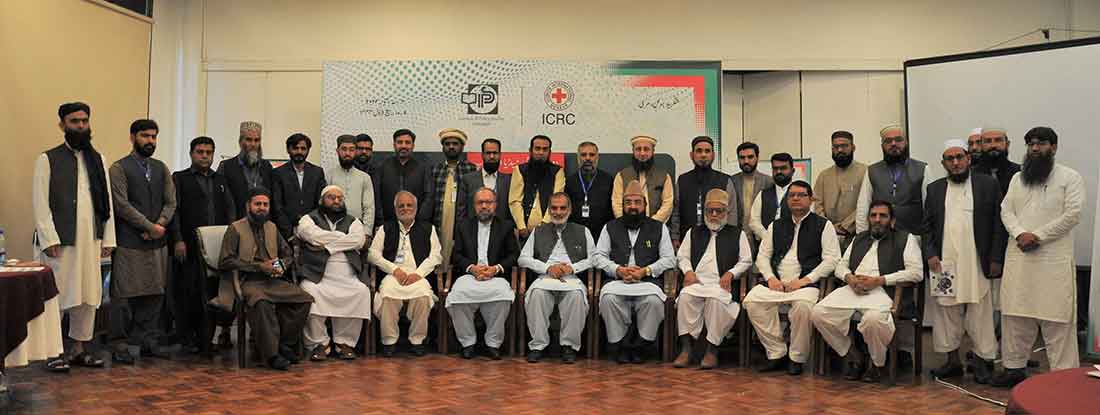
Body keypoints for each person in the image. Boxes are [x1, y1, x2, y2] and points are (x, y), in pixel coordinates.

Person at [992, 127, 1085, 387]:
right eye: (1031, 143)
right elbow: (1006, 210)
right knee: (1015, 316)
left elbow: (1073, 214)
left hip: (1052, 260)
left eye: (1041, 143)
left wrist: (1038, 236)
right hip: (1020, 258)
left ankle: (1064, 376)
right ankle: (1013, 368)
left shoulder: (1070, 177)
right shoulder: (1018, 178)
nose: (1035, 148)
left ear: (1053, 147)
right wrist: (1020, 234)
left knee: (1057, 319)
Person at [32, 102, 116, 371]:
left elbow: (106, 202)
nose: (80, 126)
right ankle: (53, 352)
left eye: (84, 121)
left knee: (88, 296)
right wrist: (49, 239)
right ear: (62, 125)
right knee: (56, 296)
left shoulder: (98, 159)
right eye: (74, 121)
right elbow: (40, 203)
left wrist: (108, 239)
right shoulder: (47, 159)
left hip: (90, 239)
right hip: (60, 241)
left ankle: (79, 349)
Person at [812, 201, 922, 383]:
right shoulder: (859, 238)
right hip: (853, 288)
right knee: (818, 313)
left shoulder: (905, 239)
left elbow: (916, 273)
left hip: (883, 291)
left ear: (892, 220)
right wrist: (849, 278)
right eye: (873, 215)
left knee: (873, 320)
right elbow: (840, 265)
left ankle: (876, 364)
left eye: (883, 216)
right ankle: (852, 354)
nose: (877, 220)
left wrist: (880, 280)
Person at [923, 140, 1005, 384]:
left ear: (969, 158)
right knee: (945, 311)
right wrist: (930, 253)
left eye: (959, 157)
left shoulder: (987, 184)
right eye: (950, 159)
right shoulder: (935, 189)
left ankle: (982, 361)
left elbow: (999, 223)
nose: (955, 162)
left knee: (981, 311)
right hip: (944, 262)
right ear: (943, 164)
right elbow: (926, 226)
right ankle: (952, 362)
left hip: (977, 260)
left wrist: (996, 257)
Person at [744, 180, 840, 376]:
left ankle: (797, 358)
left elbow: (832, 259)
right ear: (787, 200)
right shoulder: (776, 225)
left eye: (801, 195)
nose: (796, 198)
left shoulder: (824, 225)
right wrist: (771, 278)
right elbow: (762, 256)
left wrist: (805, 280)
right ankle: (776, 352)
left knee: (803, 307)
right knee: (752, 301)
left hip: (806, 285)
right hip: (777, 284)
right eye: (792, 195)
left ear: (811, 199)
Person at [217, 187, 314, 370]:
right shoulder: (235, 228)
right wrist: (258, 266)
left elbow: (287, 254)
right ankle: (272, 356)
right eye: (257, 204)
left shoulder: (272, 227)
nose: (262, 208)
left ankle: (283, 344)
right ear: (248, 206)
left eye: (265, 204)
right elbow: (225, 261)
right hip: (247, 281)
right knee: (261, 302)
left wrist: (281, 265)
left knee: (304, 299)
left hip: (273, 280)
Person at [107, 119, 177, 364]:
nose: (150, 141)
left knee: (155, 293)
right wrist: (149, 227)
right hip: (129, 242)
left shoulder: (161, 168)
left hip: (157, 242)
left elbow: (171, 201)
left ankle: (148, 341)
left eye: (153, 136)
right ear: (132, 137)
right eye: (145, 136)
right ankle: (119, 344)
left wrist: (160, 225)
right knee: (123, 296)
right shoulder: (119, 168)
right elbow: (121, 205)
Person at [593, 180, 677, 364]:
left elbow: (670, 259)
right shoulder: (610, 227)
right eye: (628, 202)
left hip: (646, 282)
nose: (633, 207)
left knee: (653, 301)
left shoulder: (659, 227)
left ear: (645, 205)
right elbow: (598, 257)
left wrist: (646, 271)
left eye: (637, 202)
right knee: (608, 299)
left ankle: (641, 344)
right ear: (622, 205)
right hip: (617, 281)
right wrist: (618, 270)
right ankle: (621, 344)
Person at [169, 136, 237, 353]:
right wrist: (178, 240)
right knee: (189, 292)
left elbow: (230, 210)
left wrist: (232, 241)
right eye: (200, 152)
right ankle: (188, 339)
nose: (204, 156)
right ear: (191, 154)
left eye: (209, 152)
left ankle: (207, 340)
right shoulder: (179, 178)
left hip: (217, 247)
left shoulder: (221, 179)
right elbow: (174, 211)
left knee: (212, 292)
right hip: (188, 245)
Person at [673, 189, 753, 369]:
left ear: (727, 212)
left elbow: (746, 260)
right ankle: (686, 349)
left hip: (720, 285)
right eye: (710, 211)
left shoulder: (737, 234)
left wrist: (731, 273)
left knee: (716, 301)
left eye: (719, 211)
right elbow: (682, 256)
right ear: (705, 212)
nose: (714, 215)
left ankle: (712, 350)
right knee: (685, 297)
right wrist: (688, 272)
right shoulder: (694, 232)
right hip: (697, 282)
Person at [518, 192, 597, 364]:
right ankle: (538, 346)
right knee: (537, 295)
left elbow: (594, 258)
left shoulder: (583, 231)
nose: (558, 212)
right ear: (548, 210)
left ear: (570, 209)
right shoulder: (538, 231)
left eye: (562, 208)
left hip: (571, 278)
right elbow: (522, 258)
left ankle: (569, 346)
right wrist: (547, 268)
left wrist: (572, 268)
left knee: (576, 296)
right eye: (554, 208)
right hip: (545, 277)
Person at [296, 185, 370, 361]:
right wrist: (343, 239)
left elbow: (359, 240)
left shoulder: (354, 221)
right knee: (309, 292)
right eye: (331, 197)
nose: (336, 201)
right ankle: (319, 344)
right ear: (322, 200)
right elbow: (309, 235)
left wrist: (328, 246)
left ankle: (344, 343)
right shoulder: (309, 218)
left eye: (339, 198)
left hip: (348, 275)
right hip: (317, 275)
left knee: (361, 292)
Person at [446, 188, 520, 360]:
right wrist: (472, 268)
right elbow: (456, 255)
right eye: (480, 202)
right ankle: (467, 342)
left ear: (495, 205)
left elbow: (514, 255)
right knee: (457, 296)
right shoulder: (463, 226)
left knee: (503, 296)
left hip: (495, 275)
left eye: (488, 202)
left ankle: (493, 343)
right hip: (470, 275)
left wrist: (496, 268)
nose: (484, 206)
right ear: (474, 206)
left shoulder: (506, 226)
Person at [367, 191, 442, 357]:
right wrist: (394, 269)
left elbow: (436, 256)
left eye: (409, 205)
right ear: (395, 209)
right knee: (387, 295)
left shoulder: (428, 228)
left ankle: (417, 340)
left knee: (423, 295)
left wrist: (419, 273)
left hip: (418, 275)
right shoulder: (385, 228)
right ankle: (389, 341)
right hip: (393, 275)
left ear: (416, 208)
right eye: (401, 206)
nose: (405, 208)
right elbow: (372, 254)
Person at [855, 124, 931, 235]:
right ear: (882, 146)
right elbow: (863, 207)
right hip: (881, 236)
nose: (893, 144)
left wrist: (927, 238)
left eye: (898, 140)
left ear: (906, 142)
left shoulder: (923, 169)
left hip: (914, 236)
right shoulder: (872, 171)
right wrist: (861, 237)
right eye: (888, 141)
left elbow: (929, 208)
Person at [426, 128, 478, 270]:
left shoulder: (471, 169)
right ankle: (440, 279)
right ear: (443, 147)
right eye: (447, 144)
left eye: (455, 144)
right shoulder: (435, 170)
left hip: (462, 221)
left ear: (462, 147)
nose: (451, 147)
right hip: (439, 221)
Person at [813, 131, 867, 249]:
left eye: (844, 146)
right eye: (836, 147)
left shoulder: (865, 172)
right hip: (828, 236)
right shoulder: (824, 175)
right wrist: (828, 227)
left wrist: (845, 226)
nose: (840, 150)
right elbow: (816, 204)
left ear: (853, 147)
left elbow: (866, 204)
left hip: (855, 235)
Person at [508, 135, 565, 240]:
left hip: (548, 231)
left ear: (549, 152)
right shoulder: (520, 170)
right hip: (523, 233)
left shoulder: (557, 172)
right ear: (530, 151)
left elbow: (556, 202)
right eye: (537, 148)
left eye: (545, 149)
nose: (541, 152)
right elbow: (515, 201)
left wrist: (544, 225)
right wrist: (521, 226)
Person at [611, 136, 675, 229]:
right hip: (627, 227)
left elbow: (668, 204)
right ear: (633, 151)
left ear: (653, 152)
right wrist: (625, 223)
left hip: (656, 227)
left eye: (646, 149)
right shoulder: (621, 175)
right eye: (638, 149)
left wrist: (652, 224)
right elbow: (616, 204)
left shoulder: (664, 176)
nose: (642, 153)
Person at [272, 133, 326, 240]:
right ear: (288, 150)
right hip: (285, 231)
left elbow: (320, 203)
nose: (299, 152)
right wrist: (289, 232)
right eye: (295, 148)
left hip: (312, 229)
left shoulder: (317, 172)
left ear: (308, 150)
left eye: (303, 148)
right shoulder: (278, 173)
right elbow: (277, 206)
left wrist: (312, 227)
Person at [676, 136, 729, 241]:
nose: (703, 155)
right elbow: (676, 212)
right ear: (692, 155)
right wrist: (675, 237)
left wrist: (730, 238)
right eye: (699, 151)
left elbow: (732, 214)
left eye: (707, 151)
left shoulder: (725, 180)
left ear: (713, 155)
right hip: (687, 239)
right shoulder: (682, 180)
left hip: (719, 238)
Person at [217, 121, 274, 219]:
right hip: (236, 222)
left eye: (256, 140)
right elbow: (222, 201)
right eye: (248, 140)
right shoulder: (226, 166)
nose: (253, 144)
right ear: (240, 142)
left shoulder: (266, 166)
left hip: (262, 221)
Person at [374, 129, 430, 223]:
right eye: (400, 142)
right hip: (388, 223)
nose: (403, 146)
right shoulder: (382, 167)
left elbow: (428, 197)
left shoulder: (423, 168)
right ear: (394, 145)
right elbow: (376, 197)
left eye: (407, 142)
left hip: (416, 223)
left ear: (413, 146)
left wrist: (420, 221)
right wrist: (381, 221)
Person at [326, 135, 375, 235]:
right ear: (337, 151)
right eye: (344, 149)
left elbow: (369, 208)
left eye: (351, 150)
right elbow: (325, 205)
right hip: (333, 230)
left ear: (356, 151)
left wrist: (367, 232)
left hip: (357, 229)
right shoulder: (329, 175)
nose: (347, 153)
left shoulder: (364, 177)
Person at [565, 141, 614, 241]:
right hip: (575, 234)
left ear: (597, 157)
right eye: (583, 155)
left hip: (602, 235)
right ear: (578, 157)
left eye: (592, 155)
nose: (587, 158)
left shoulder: (608, 179)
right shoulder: (569, 181)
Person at [458, 138, 512, 222]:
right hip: (474, 229)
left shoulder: (509, 180)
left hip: (502, 229)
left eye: (495, 153)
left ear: (500, 155)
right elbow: (461, 211)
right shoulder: (468, 180)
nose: (492, 156)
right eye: (488, 153)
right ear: (482, 155)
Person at [749, 152, 797, 243]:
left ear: (793, 171)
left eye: (783, 168)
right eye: (775, 168)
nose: (778, 172)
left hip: (793, 245)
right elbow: (754, 221)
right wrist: (768, 237)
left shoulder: (800, 194)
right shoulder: (763, 194)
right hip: (766, 245)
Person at [727, 141, 772, 232]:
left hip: (761, 234)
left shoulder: (768, 182)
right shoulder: (731, 181)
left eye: (750, 157)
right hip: (737, 233)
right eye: (742, 158)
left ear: (757, 158)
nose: (746, 161)